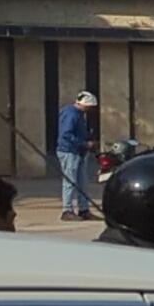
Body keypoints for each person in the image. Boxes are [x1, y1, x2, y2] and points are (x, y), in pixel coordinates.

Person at [55, 89, 101, 218]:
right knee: (70, 181)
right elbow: (66, 135)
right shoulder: (71, 114)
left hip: (79, 152)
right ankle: (67, 210)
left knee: (82, 182)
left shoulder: (79, 114)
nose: (91, 110)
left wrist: (88, 140)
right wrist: (84, 144)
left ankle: (84, 209)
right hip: (69, 152)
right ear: (85, 104)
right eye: (90, 107)